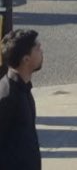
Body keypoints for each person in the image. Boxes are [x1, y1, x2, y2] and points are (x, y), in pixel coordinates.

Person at [0, 29, 43, 170]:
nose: (42, 51)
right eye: (37, 48)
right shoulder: (6, 97)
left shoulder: (23, 89)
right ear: (26, 59)